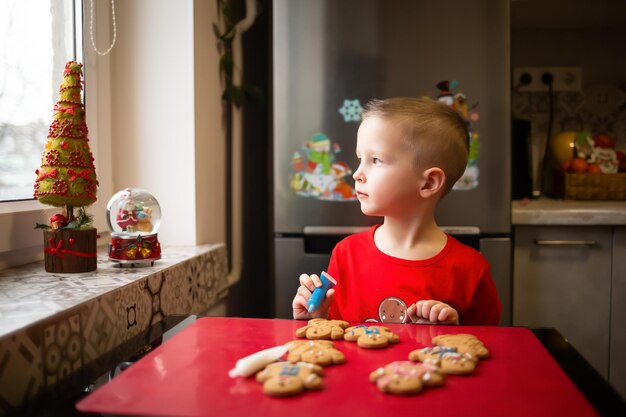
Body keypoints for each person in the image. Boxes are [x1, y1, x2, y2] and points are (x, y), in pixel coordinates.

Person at [292, 97, 502, 326]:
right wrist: (315, 319)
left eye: (376, 160)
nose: (357, 174)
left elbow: (488, 349)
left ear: (429, 183)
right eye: (360, 159)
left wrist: (450, 331)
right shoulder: (346, 255)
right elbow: (333, 338)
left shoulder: (471, 270)